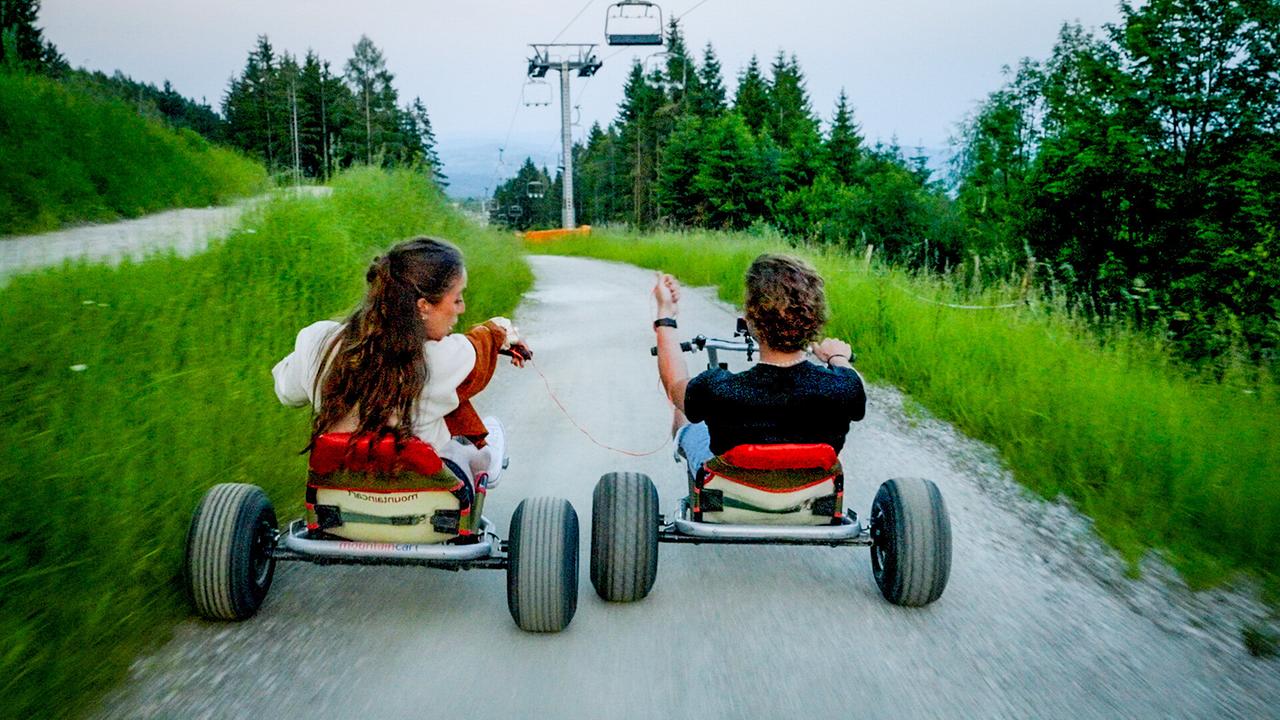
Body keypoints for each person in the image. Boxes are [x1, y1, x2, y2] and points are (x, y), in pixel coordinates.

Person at [271, 236, 528, 484]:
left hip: (341, 497)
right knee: (468, 451)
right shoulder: (442, 360)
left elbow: (286, 392)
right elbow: (483, 341)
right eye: (457, 298)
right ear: (423, 305)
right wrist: (504, 333)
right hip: (423, 506)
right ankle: (486, 463)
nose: (461, 308)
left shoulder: (319, 342)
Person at [652, 254, 866, 483]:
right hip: (809, 502)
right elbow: (856, 385)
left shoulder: (717, 388)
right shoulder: (843, 388)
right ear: (814, 321)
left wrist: (665, 314)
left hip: (732, 502)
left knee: (685, 415)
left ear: (750, 322)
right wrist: (837, 357)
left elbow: (674, 385)